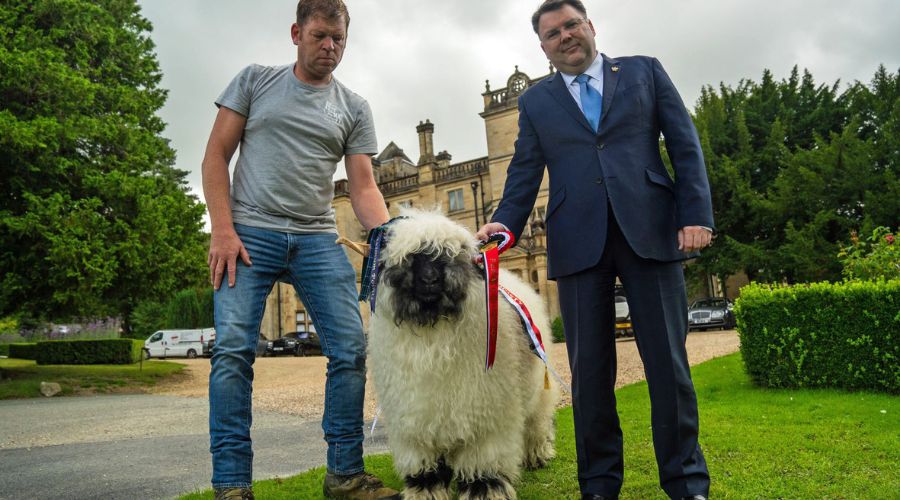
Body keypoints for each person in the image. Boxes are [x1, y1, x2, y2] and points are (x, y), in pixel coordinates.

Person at [476, 1, 713, 499]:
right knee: (589, 375)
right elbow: (523, 173)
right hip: (577, 241)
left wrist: (694, 215)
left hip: (651, 229)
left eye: (571, 25)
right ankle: (599, 484)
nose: (565, 36)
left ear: (590, 26)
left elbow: (684, 144)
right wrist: (505, 225)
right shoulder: (537, 103)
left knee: (668, 366)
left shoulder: (645, 72)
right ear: (542, 46)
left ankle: (687, 482)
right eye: (552, 33)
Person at [201, 1, 398, 499]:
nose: (329, 47)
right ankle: (231, 486)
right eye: (319, 36)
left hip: (317, 237)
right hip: (248, 233)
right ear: (296, 33)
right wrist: (221, 229)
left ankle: (345, 476)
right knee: (232, 351)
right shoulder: (255, 81)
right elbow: (215, 156)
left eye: (339, 39)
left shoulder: (354, 107)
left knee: (351, 348)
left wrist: (390, 237)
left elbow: (363, 187)